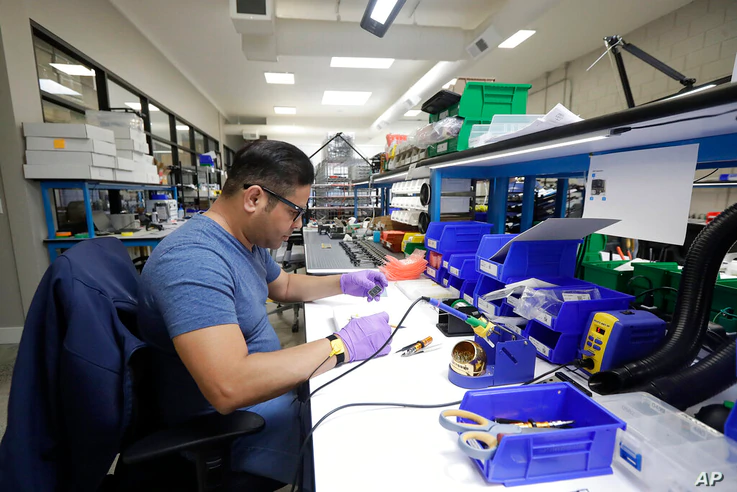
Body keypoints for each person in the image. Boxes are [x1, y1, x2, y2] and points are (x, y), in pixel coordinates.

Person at [137, 139, 391, 487]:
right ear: (254, 198)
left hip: (269, 396)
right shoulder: (193, 261)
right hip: (234, 429)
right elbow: (229, 386)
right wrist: (341, 345)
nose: (298, 223)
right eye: (294, 211)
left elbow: (283, 286)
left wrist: (344, 282)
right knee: (367, 450)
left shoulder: (244, 241)